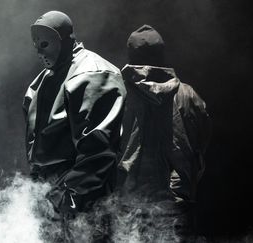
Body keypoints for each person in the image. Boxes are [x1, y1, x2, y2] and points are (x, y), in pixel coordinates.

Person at [23, 11, 126, 242]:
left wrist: (69, 195)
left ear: (63, 39)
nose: (39, 51)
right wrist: (38, 192)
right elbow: (35, 146)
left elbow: (99, 149)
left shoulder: (92, 72)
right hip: (53, 195)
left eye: (45, 43)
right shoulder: (41, 82)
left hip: (81, 198)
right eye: (36, 44)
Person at [116, 25, 212, 242]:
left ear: (131, 54)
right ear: (161, 54)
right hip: (177, 199)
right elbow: (202, 141)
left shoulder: (119, 93)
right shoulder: (188, 94)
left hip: (130, 200)